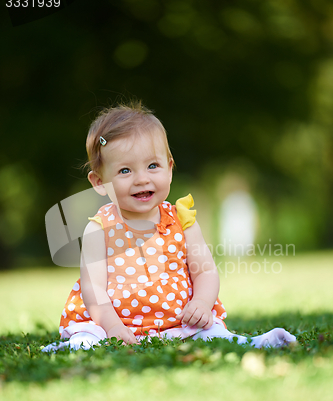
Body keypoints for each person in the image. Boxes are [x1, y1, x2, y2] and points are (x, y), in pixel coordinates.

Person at [42, 102, 296, 352]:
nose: (142, 179)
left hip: (178, 320)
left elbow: (205, 271)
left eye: (153, 166)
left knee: (212, 333)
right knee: (89, 338)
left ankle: (257, 343)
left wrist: (201, 303)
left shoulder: (181, 220)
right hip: (111, 322)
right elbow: (93, 289)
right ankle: (74, 346)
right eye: (125, 170)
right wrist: (113, 327)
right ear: (99, 182)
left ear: (170, 169)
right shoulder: (99, 229)